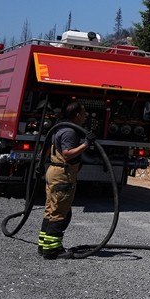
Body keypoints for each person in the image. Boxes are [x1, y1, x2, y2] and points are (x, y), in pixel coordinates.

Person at [38, 101, 91, 259]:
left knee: (51, 210)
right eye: (83, 113)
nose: (85, 116)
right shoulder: (70, 132)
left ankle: (44, 245)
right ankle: (53, 250)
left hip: (54, 172)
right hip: (62, 174)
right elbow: (67, 154)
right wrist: (86, 144)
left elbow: (46, 150)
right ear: (77, 115)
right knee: (60, 213)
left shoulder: (59, 128)